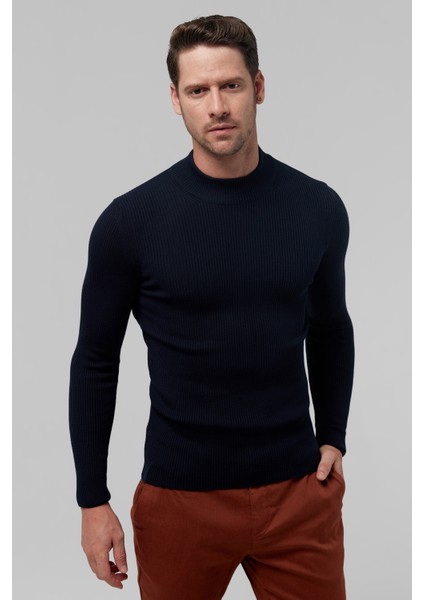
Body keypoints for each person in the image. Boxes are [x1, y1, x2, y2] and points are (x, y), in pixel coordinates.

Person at [68, 14, 355, 600]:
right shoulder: (130, 223)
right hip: (180, 500)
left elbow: (331, 327)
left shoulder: (317, 209)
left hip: (297, 494)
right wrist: (92, 500)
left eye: (231, 85)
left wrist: (334, 436)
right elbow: (96, 359)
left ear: (259, 87)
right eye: (198, 91)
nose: (217, 106)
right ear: (176, 100)